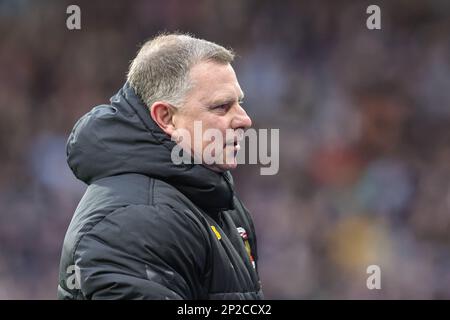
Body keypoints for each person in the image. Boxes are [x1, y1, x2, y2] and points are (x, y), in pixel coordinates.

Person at [57, 33, 263, 300]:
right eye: (222, 107)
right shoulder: (134, 222)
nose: (244, 120)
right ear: (166, 117)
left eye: (239, 103)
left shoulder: (214, 201)